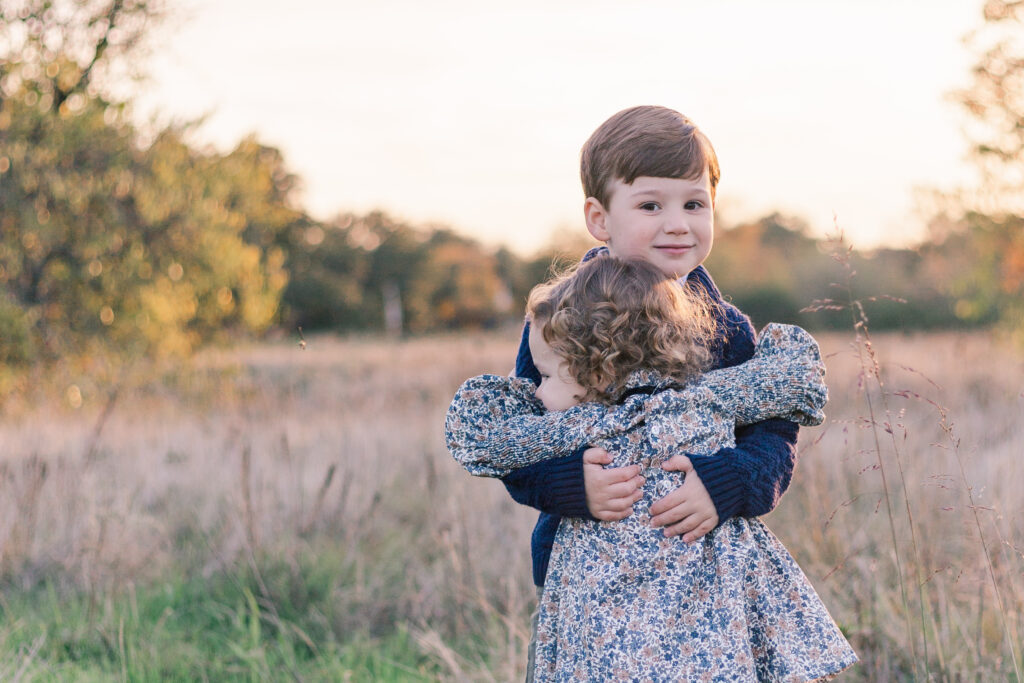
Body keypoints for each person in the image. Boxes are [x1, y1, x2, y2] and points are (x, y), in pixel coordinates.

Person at [446, 256, 857, 681]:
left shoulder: (580, 420)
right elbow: (790, 376)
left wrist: (729, 480)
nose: (538, 392)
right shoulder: (701, 397)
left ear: (598, 369)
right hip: (652, 612)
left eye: (547, 377)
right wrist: (571, 482)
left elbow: (481, 435)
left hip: (686, 603)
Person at [500, 106, 803, 676]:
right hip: (595, 577)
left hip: (703, 577)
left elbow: (774, 435)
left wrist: (727, 484)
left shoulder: (728, 328)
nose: (677, 224)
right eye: (649, 205)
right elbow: (516, 437)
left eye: (694, 204)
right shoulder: (559, 317)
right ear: (599, 217)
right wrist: (571, 483)